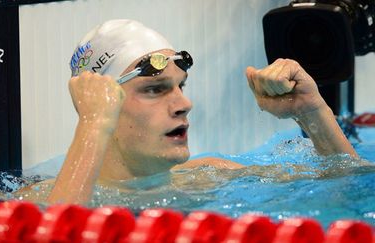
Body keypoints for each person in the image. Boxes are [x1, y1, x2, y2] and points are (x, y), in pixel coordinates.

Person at [46, 19, 357, 204]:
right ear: (102, 103)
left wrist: (312, 113)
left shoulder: (209, 176)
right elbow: (54, 232)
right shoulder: (37, 200)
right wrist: (92, 123)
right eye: (155, 89)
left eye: (182, 86)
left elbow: (347, 189)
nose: (184, 104)